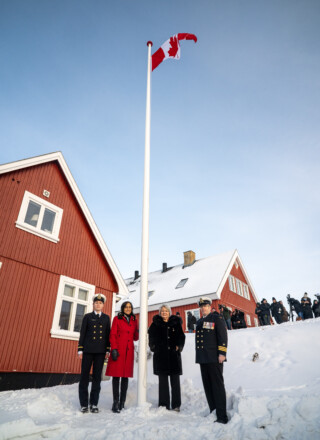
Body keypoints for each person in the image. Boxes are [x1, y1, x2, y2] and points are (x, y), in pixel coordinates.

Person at [196, 297, 228, 424]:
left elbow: (222, 336)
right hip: (203, 358)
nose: (203, 308)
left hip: (214, 358)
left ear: (210, 307)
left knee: (217, 386)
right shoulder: (199, 322)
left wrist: (222, 353)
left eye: (206, 306)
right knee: (208, 386)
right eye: (202, 306)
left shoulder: (216, 318)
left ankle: (222, 416)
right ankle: (213, 412)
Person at [148, 304, 185, 411]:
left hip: (174, 356)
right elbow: (151, 337)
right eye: (162, 311)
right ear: (160, 313)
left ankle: (176, 404)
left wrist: (179, 346)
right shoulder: (155, 324)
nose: (164, 313)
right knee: (163, 382)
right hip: (161, 357)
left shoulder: (176, 323)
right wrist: (154, 347)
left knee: (175, 382)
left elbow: (181, 336)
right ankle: (164, 405)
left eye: (166, 311)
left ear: (169, 312)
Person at [78, 293, 111, 413]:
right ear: (93, 304)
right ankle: (83, 404)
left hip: (100, 352)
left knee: (97, 378)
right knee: (84, 376)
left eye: (100, 303)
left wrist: (108, 350)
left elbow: (108, 335)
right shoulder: (87, 317)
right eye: (96, 303)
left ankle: (94, 404)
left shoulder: (106, 318)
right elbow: (82, 333)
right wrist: (80, 349)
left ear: (103, 305)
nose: (98, 304)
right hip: (87, 350)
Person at [106, 301, 139, 413]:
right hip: (119, 350)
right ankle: (115, 402)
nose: (128, 309)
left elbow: (135, 337)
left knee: (125, 377)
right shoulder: (117, 319)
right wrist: (114, 348)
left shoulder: (134, 320)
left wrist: (139, 331)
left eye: (130, 307)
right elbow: (113, 334)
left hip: (128, 351)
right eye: (126, 307)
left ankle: (122, 403)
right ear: (122, 308)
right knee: (116, 376)